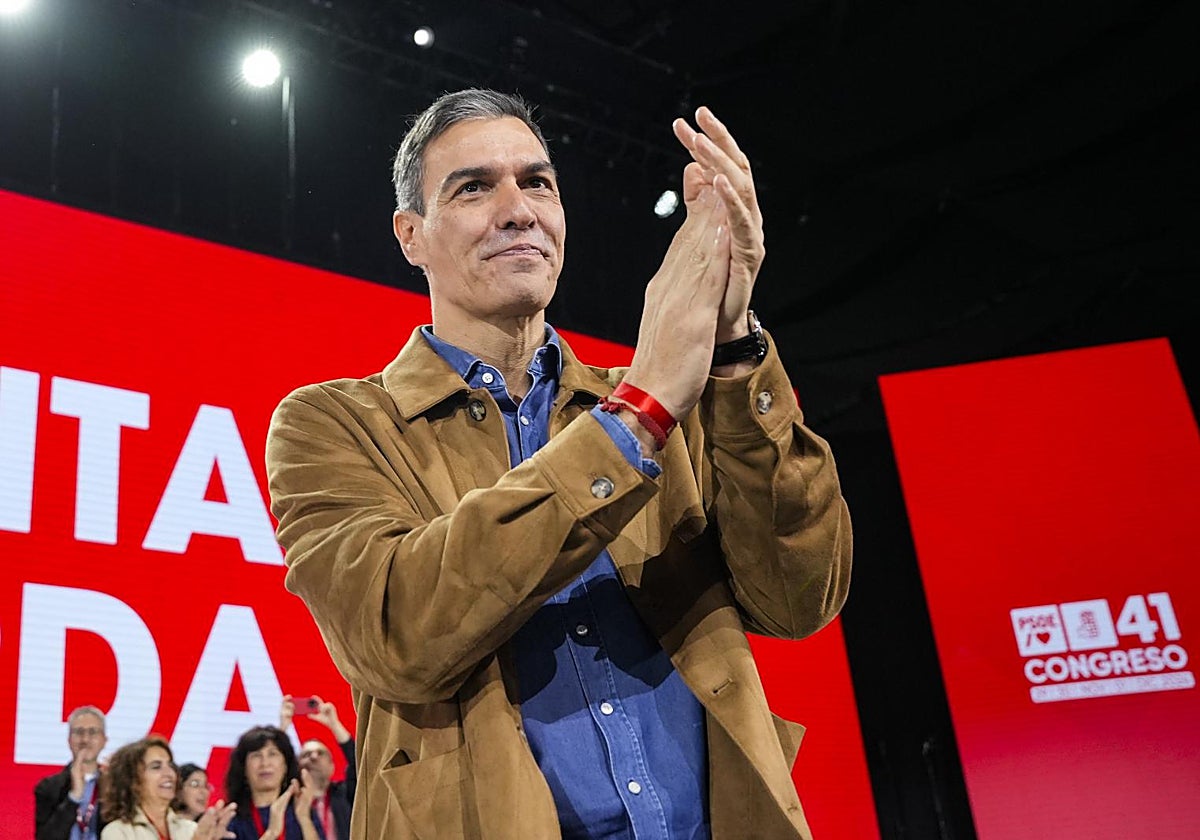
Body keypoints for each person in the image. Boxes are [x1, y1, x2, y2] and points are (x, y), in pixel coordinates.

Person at [265, 88, 852, 839]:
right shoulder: (334, 423)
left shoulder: (668, 400)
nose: (518, 210)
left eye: (537, 182)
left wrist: (734, 342)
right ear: (411, 235)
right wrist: (637, 417)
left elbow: (799, 598)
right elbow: (395, 637)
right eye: (474, 187)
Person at [97, 735, 236, 840]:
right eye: (156, 767)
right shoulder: (117, 832)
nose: (169, 773)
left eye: (171, 765)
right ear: (133, 780)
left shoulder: (190, 829)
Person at [223, 726, 323, 840]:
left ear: (285, 765)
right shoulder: (231, 818)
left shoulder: (301, 811)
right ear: (244, 768)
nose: (265, 763)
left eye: (272, 754)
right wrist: (271, 833)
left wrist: (304, 818)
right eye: (256, 755)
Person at [279, 696, 355, 840]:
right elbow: (273, 768)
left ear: (332, 766)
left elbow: (360, 765)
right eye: (306, 754)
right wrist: (282, 728)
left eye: (320, 754)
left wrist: (334, 724)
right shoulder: (287, 798)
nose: (313, 757)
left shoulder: (346, 795)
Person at [34, 705, 110, 840]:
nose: (85, 739)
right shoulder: (48, 787)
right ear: (69, 741)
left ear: (104, 741)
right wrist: (74, 797)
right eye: (79, 732)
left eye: (93, 732)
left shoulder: (114, 788)